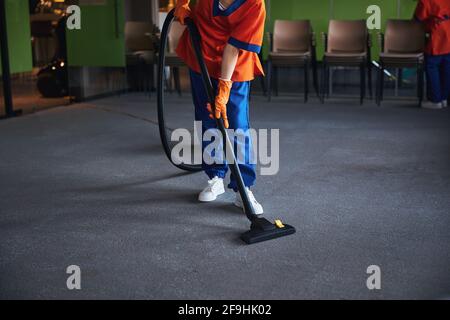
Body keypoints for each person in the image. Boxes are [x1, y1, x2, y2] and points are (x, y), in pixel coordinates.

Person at [174, 0, 266, 214]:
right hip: (201, 57)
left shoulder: (255, 4)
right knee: (207, 119)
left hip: (235, 67)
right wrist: (182, 4)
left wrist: (224, 88)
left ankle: (243, 188)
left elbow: (234, 48)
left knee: (236, 124)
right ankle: (215, 176)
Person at [415, 0, 450, 109]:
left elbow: (417, 19)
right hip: (448, 32)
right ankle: (443, 99)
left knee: (431, 66)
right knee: (447, 67)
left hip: (438, 35)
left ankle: (435, 100)